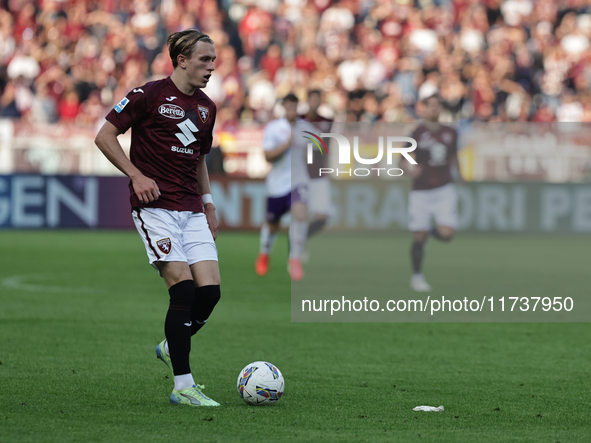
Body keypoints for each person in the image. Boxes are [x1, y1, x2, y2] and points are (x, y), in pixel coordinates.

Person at [95, 29, 221, 407]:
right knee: (181, 289)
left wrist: (209, 201)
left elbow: (199, 157)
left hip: (191, 208)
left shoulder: (207, 108)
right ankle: (183, 387)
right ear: (182, 60)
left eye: (213, 60)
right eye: (204, 59)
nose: (211, 67)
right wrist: (135, 174)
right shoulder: (147, 95)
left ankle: (172, 343)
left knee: (210, 293)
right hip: (154, 208)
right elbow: (104, 136)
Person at [406, 93, 465, 292]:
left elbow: (454, 155)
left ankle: (431, 234)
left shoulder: (451, 132)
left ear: (440, 109)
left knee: (447, 234)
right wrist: (411, 168)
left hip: (443, 188)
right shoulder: (416, 132)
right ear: (423, 109)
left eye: (437, 106)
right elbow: (403, 159)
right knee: (418, 237)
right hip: (421, 190)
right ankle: (417, 276)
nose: (433, 109)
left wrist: (461, 174)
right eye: (430, 106)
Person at [255, 93, 312, 281]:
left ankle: (294, 259)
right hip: (277, 184)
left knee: (300, 215)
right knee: (272, 225)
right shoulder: (274, 128)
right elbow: (267, 156)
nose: (292, 110)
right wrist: (286, 145)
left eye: (295, 107)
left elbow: (321, 152)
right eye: (288, 107)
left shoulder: (307, 129)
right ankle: (265, 253)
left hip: (299, 182)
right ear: (283, 107)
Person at [302, 89, 334, 239]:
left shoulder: (327, 122)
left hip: (319, 174)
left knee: (322, 217)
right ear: (308, 100)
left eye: (317, 99)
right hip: (301, 175)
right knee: (299, 215)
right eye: (312, 99)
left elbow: (327, 147)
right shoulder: (298, 120)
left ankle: (302, 240)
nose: (315, 102)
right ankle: (295, 251)